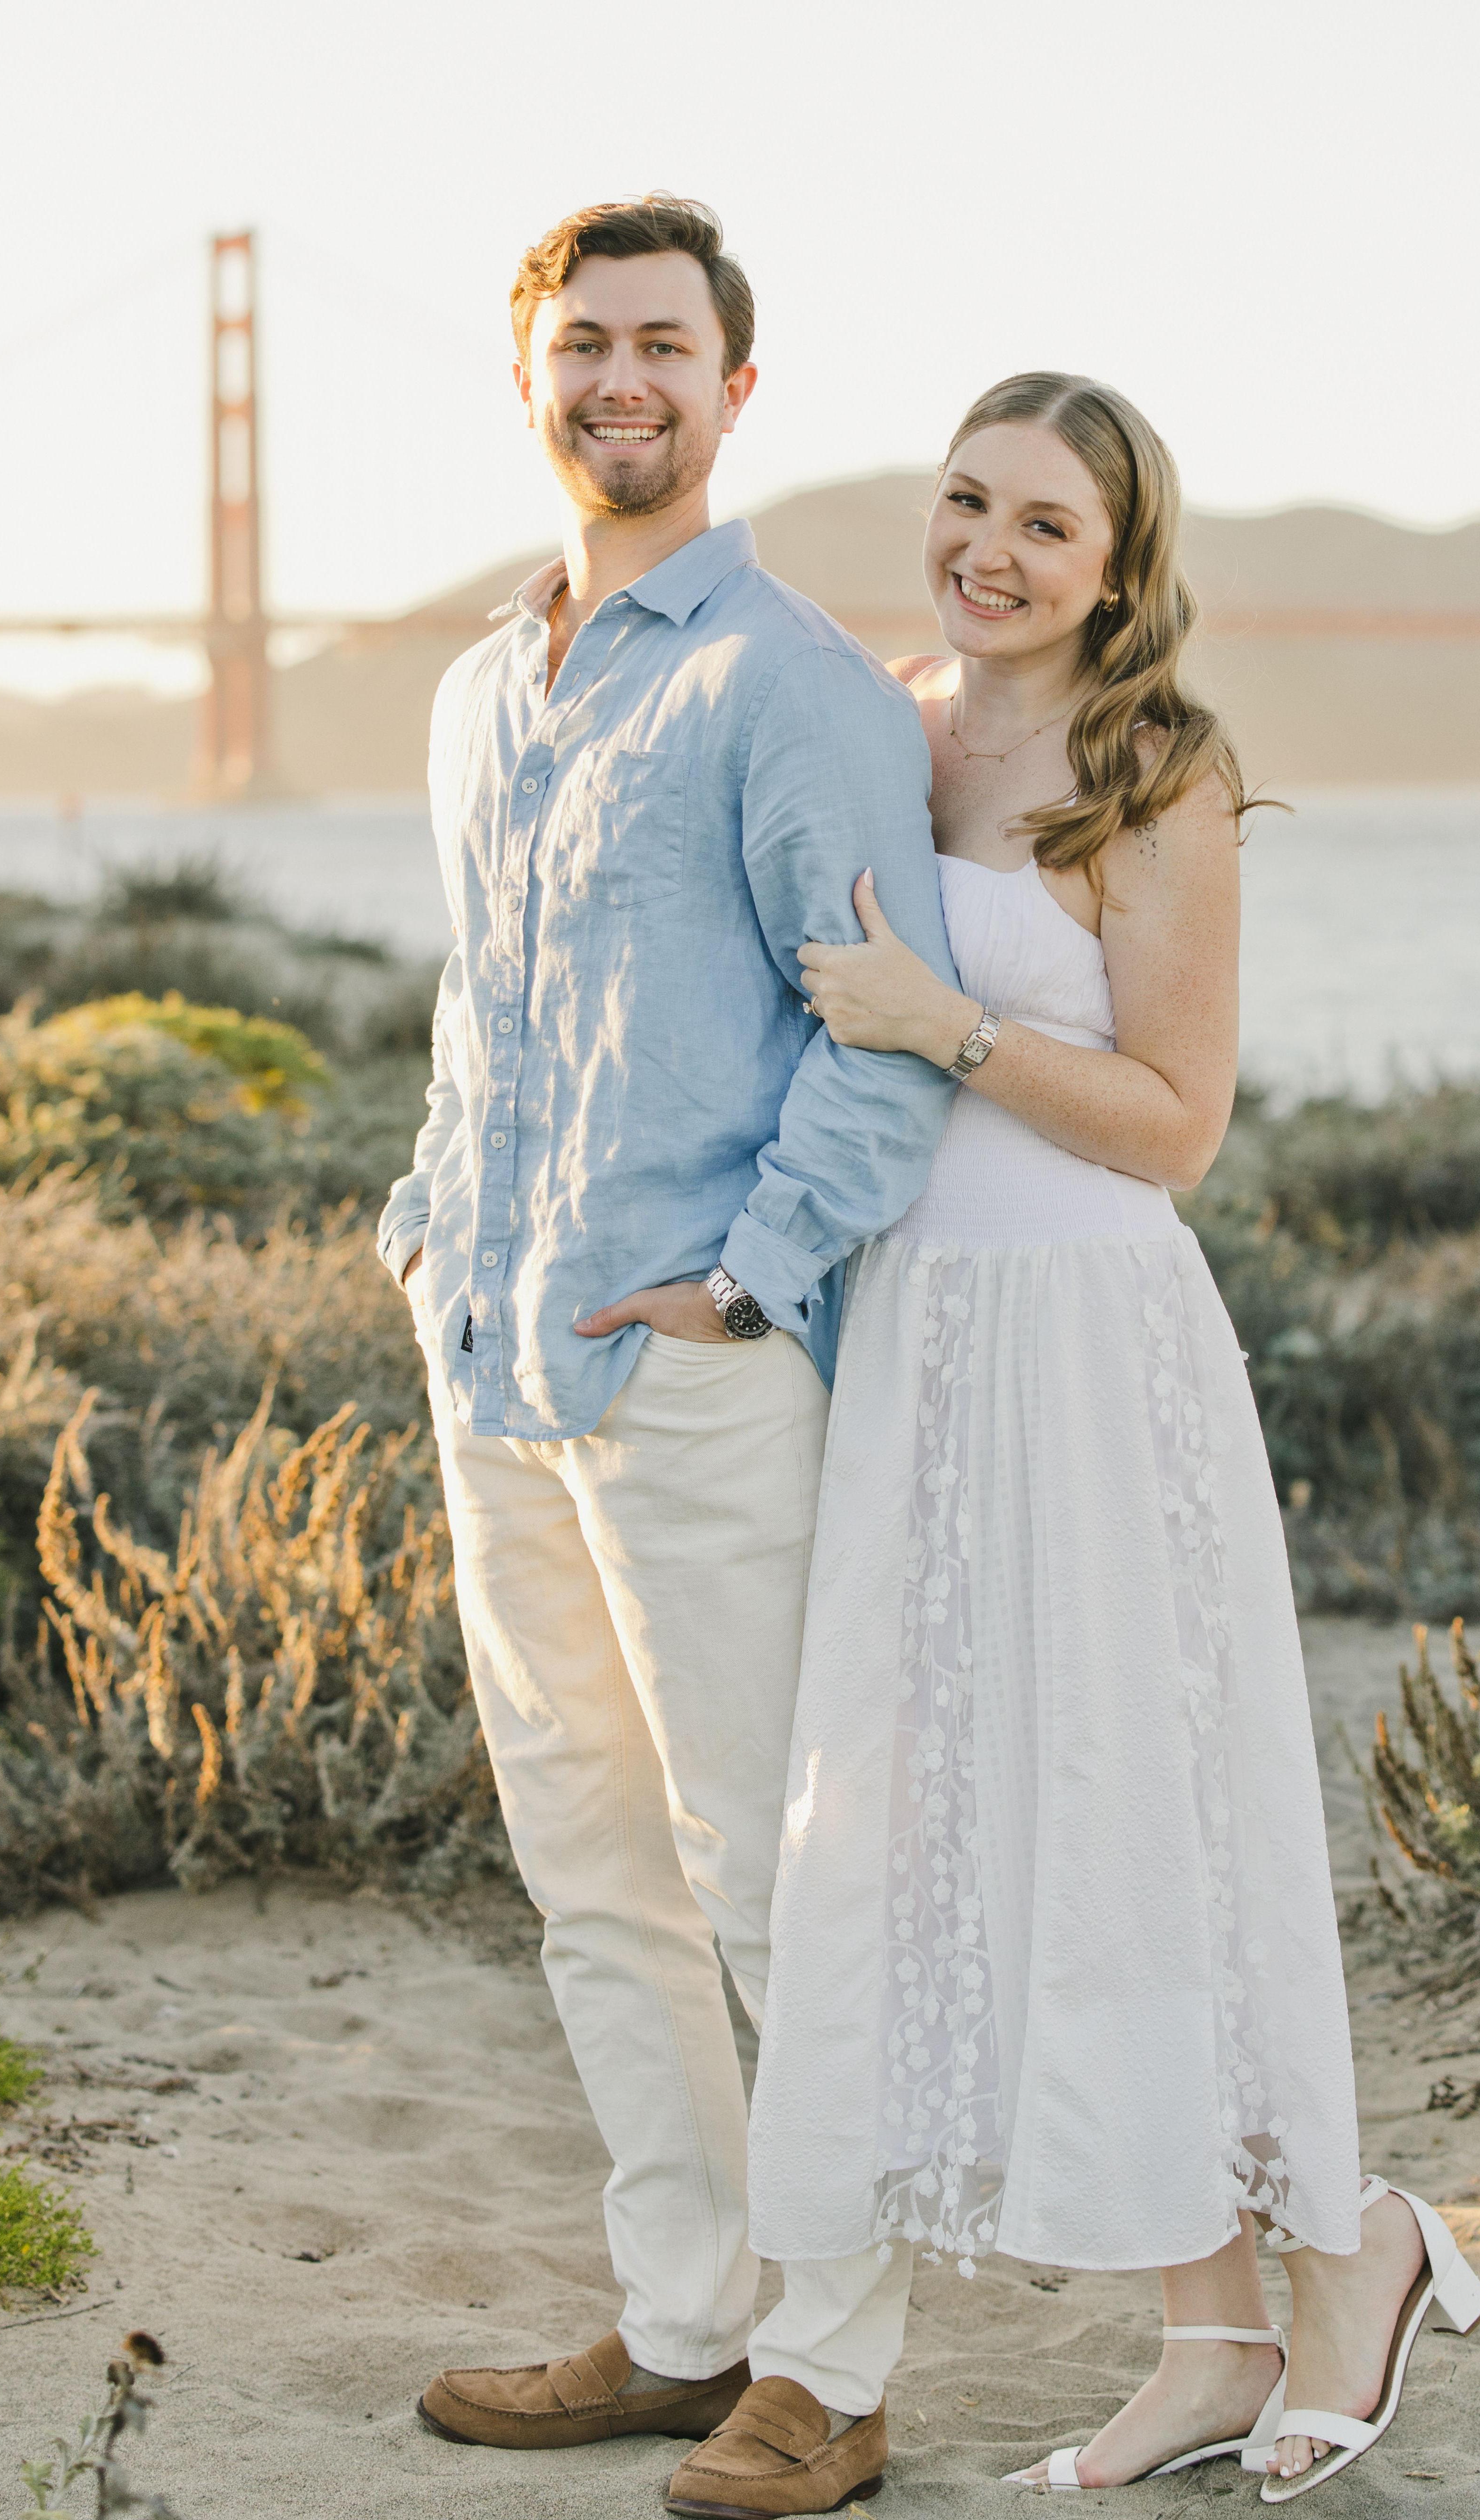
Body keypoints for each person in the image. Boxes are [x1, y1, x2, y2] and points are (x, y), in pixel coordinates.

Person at [743, 374, 1480, 2505]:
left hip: (1086, 1339)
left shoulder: (1158, 764)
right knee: (1011, 1821)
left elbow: (1178, 1126)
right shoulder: (893, 717)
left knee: (1137, 1807)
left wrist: (949, 1029)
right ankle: (1210, 2330)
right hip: (923, 1341)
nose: (990, 549)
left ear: (1117, 564)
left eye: (1044, 525)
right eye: (966, 501)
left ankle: (1356, 2253)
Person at [377, 196, 957, 2518]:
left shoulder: (788, 682)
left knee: (760, 1875)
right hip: (496, 1354)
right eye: (583, 344)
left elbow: (886, 1038)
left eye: (664, 346)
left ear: (736, 388)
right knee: (588, 1867)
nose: (622, 381)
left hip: (700, 1371)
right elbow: (480, 1003)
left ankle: (833, 2366)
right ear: (527, 379)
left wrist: (746, 1277)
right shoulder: (473, 687)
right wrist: (428, 1226)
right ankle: (683, 2319)